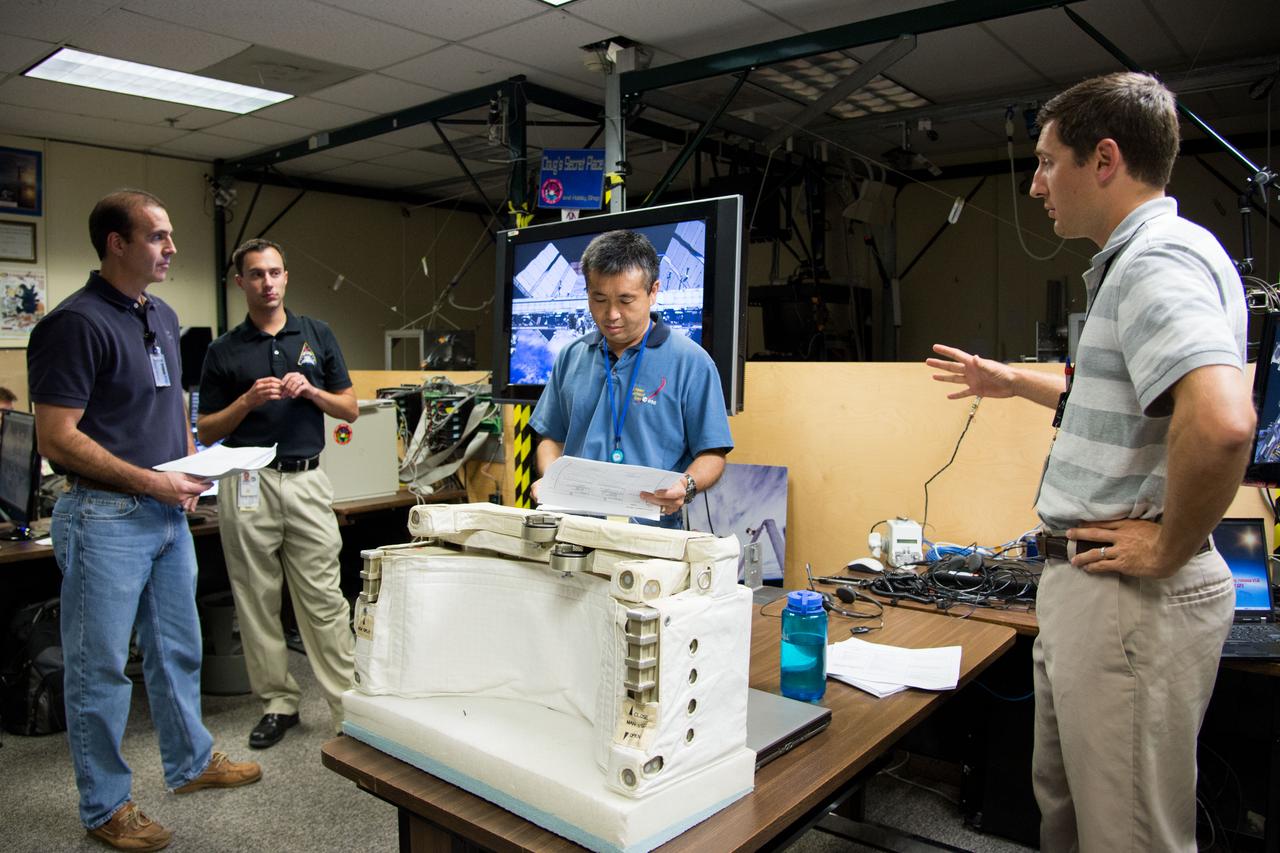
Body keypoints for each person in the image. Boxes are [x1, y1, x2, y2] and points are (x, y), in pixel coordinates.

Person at [927, 72, 1254, 851]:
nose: (1037, 184)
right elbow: (1133, 393)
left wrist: (1171, 540)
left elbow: (1223, 421)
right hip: (1098, 597)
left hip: (1127, 596)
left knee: (1128, 835)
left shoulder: (1150, 263)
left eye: (1047, 162)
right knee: (1075, 819)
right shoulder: (1157, 254)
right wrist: (1014, 383)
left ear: (1103, 158)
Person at [27, 190, 261, 852]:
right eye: (158, 235)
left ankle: (190, 763)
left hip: (166, 513)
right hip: (104, 516)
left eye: (171, 235)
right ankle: (105, 803)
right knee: (99, 668)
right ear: (116, 244)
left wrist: (191, 471)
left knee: (178, 650)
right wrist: (151, 481)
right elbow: (56, 438)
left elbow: (168, 413)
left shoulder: (159, 313)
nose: (172, 246)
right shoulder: (73, 324)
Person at [197, 238, 357, 750]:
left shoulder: (317, 334)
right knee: (256, 599)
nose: (267, 282)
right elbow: (206, 430)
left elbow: (350, 409)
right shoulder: (224, 350)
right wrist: (245, 401)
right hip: (247, 482)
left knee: (325, 600)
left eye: (275, 273)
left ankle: (346, 706)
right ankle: (279, 702)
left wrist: (312, 392)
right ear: (240, 282)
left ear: (286, 277)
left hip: (307, 480)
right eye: (256, 274)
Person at [529, 229, 732, 527]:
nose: (611, 314)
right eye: (599, 299)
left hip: (651, 535)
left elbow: (712, 453)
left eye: (626, 300)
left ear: (653, 292)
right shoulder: (572, 356)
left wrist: (685, 486)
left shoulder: (692, 362)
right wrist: (550, 479)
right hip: (573, 528)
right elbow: (552, 438)